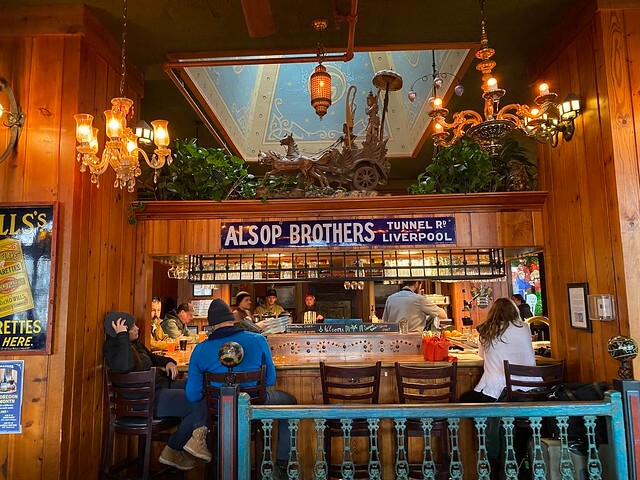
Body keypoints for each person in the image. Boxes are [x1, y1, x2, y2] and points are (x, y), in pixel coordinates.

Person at [185, 299, 297, 480]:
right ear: (232, 319)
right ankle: (281, 467)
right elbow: (270, 380)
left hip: (219, 410)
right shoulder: (258, 339)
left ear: (211, 325)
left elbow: (192, 395)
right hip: (255, 402)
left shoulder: (200, 349)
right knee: (290, 403)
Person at [103, 311, 210, 471]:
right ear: (121, 330)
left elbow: (151, 357)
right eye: (133, 327)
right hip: (147, 400)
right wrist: (122, 337)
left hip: (160, 388)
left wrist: (168, 362)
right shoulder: (113, 349)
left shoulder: (134, 344)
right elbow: (124, 367)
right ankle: (174, 448)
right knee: (196, 399)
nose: (138, 328)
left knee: (199, 388)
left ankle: (184, 444)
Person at [458, 298, 538, 470]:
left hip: (496, 393)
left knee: (464, 401)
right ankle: (511, 446)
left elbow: (481, 355)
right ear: (514, 311)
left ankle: (487, 446)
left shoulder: (486, 330)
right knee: (504, 415)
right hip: (530, 393)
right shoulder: (524, 328)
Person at [381, 280, 447, 332]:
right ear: (416, 284)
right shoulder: (420, 299)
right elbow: (443, 315)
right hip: (414, 340)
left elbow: (385, 322)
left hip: (393, 340)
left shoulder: (390, 298)